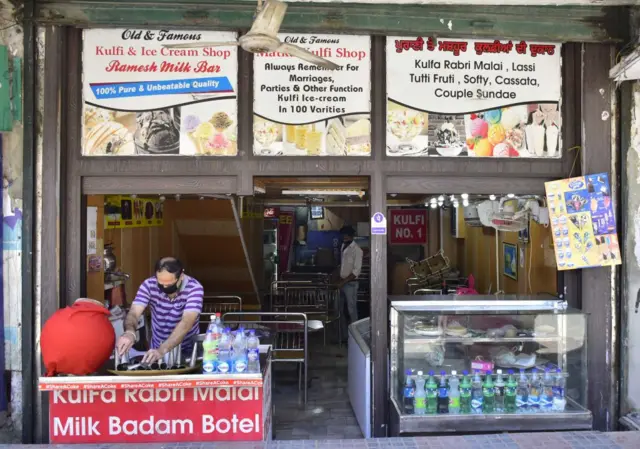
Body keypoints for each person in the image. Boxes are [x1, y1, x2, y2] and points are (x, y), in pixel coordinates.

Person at [115, 257, 204, 364]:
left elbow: (187, 322)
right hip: (156, 351)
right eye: (160, 284)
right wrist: (129, 333)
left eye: (169, 284)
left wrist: (163, 350)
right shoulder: (148, 285)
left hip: (188, 351)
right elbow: (134, 313)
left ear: (181, 276)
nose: (165, 287)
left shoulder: (194, 288)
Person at [336, 225, 363, 340]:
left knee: (352, 311)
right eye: (343, 235)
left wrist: (343, 282)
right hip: (342, 282)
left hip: (351, 284)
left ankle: (356, 339)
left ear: (351, 236)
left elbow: (356, 271)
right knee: (339, 310)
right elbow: (342, 266)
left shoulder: (357, 250)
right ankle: (343, 337)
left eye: (346, 235)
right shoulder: (343, 246)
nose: (344, 237)